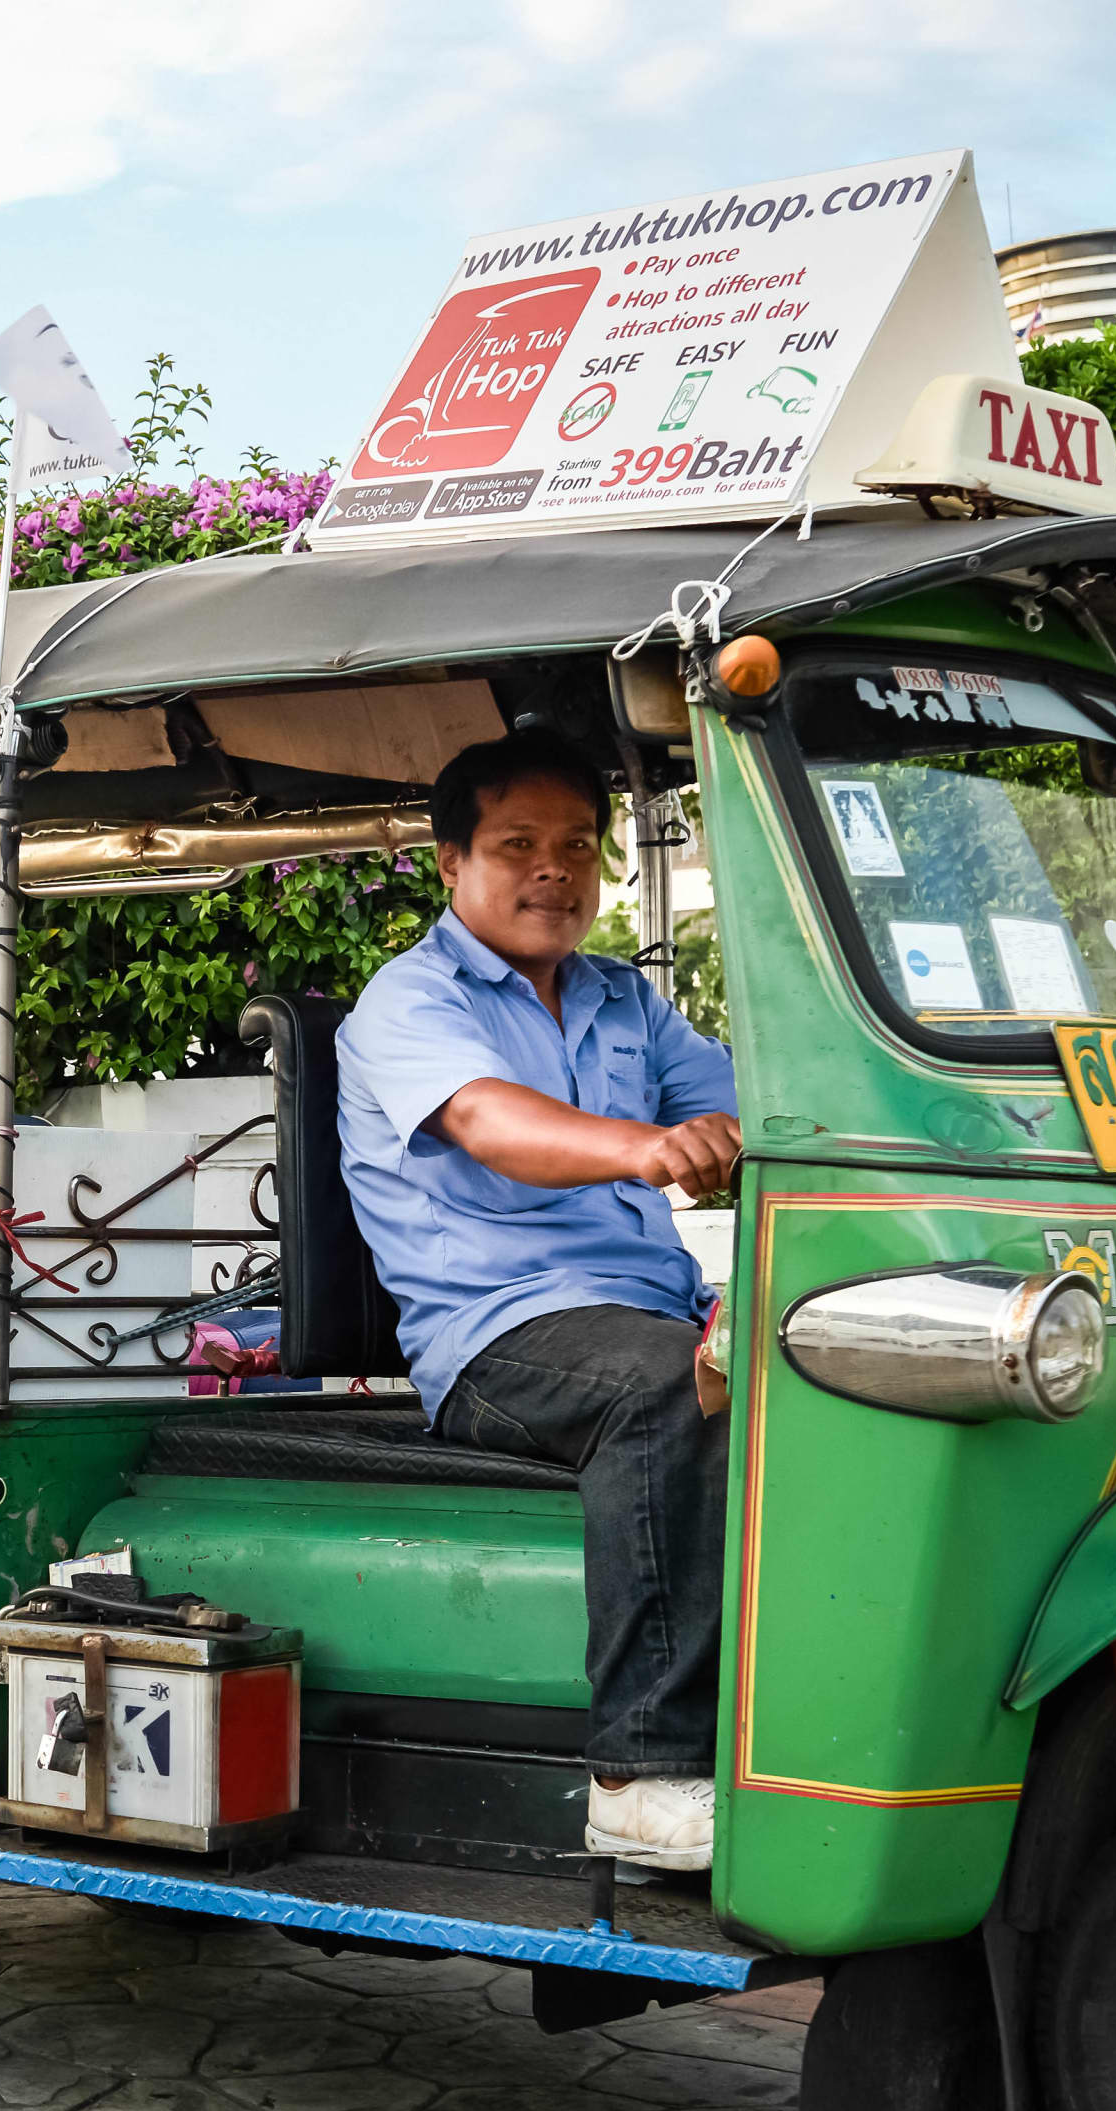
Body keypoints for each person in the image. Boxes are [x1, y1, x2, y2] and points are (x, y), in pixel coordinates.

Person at [336, 732, 743, 1870]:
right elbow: (491, 1125)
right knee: (672, 1388)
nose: (553, 869)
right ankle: (640, 1772)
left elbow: (753, 1108)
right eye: (518, 845)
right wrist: (653, 1145)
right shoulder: (409, 1000)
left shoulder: (626, 1000)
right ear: (450, 862)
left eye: (577, 845)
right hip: (498, 1335)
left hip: (650, 1304)